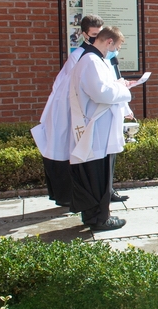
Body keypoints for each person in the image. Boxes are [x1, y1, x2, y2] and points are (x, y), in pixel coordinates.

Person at [32, 15, 105, 208]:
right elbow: (69, 87)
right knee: (68, 154)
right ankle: (71, 198)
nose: (98, 39)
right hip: (67, 111)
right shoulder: (79, 56)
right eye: (94, 35)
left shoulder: (96, 55)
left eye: (101, 34)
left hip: (79, 111)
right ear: (84, 34)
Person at [68, 26, 132, 231]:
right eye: (118, 46)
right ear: (109, 42)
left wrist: (118, 85)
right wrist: (123, 89)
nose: (117, 51)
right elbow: (101, 92)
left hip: (99, 128)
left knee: (98, 174)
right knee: (97, 175)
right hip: (96, 130)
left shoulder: (95, 60)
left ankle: (95, 216)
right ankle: (99, 219)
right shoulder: (91, 61)